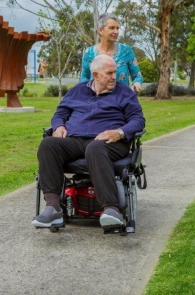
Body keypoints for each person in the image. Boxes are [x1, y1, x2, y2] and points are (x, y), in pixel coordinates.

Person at [33, 54, 145, 229]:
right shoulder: (78, 90)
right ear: (96, 74)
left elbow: (138, 120)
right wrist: (59, 126)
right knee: (48, 145)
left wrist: (120, 132)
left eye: (115, 72)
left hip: (110, 142)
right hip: (75, 140)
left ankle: (111, 209)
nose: (114, 77)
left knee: (95, 148)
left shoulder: (124, 93)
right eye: (109, 73)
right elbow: (60, 113)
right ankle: (53, 208)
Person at [80, 13, 143, 92]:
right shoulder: (89, 53)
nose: (116, 31)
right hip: (97, 101)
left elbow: (137, 76)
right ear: (100, 30)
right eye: (112, 28)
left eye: (117, 28)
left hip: (122, 101)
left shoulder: (126, 51)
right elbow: (84, 78)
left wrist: (137, 83)